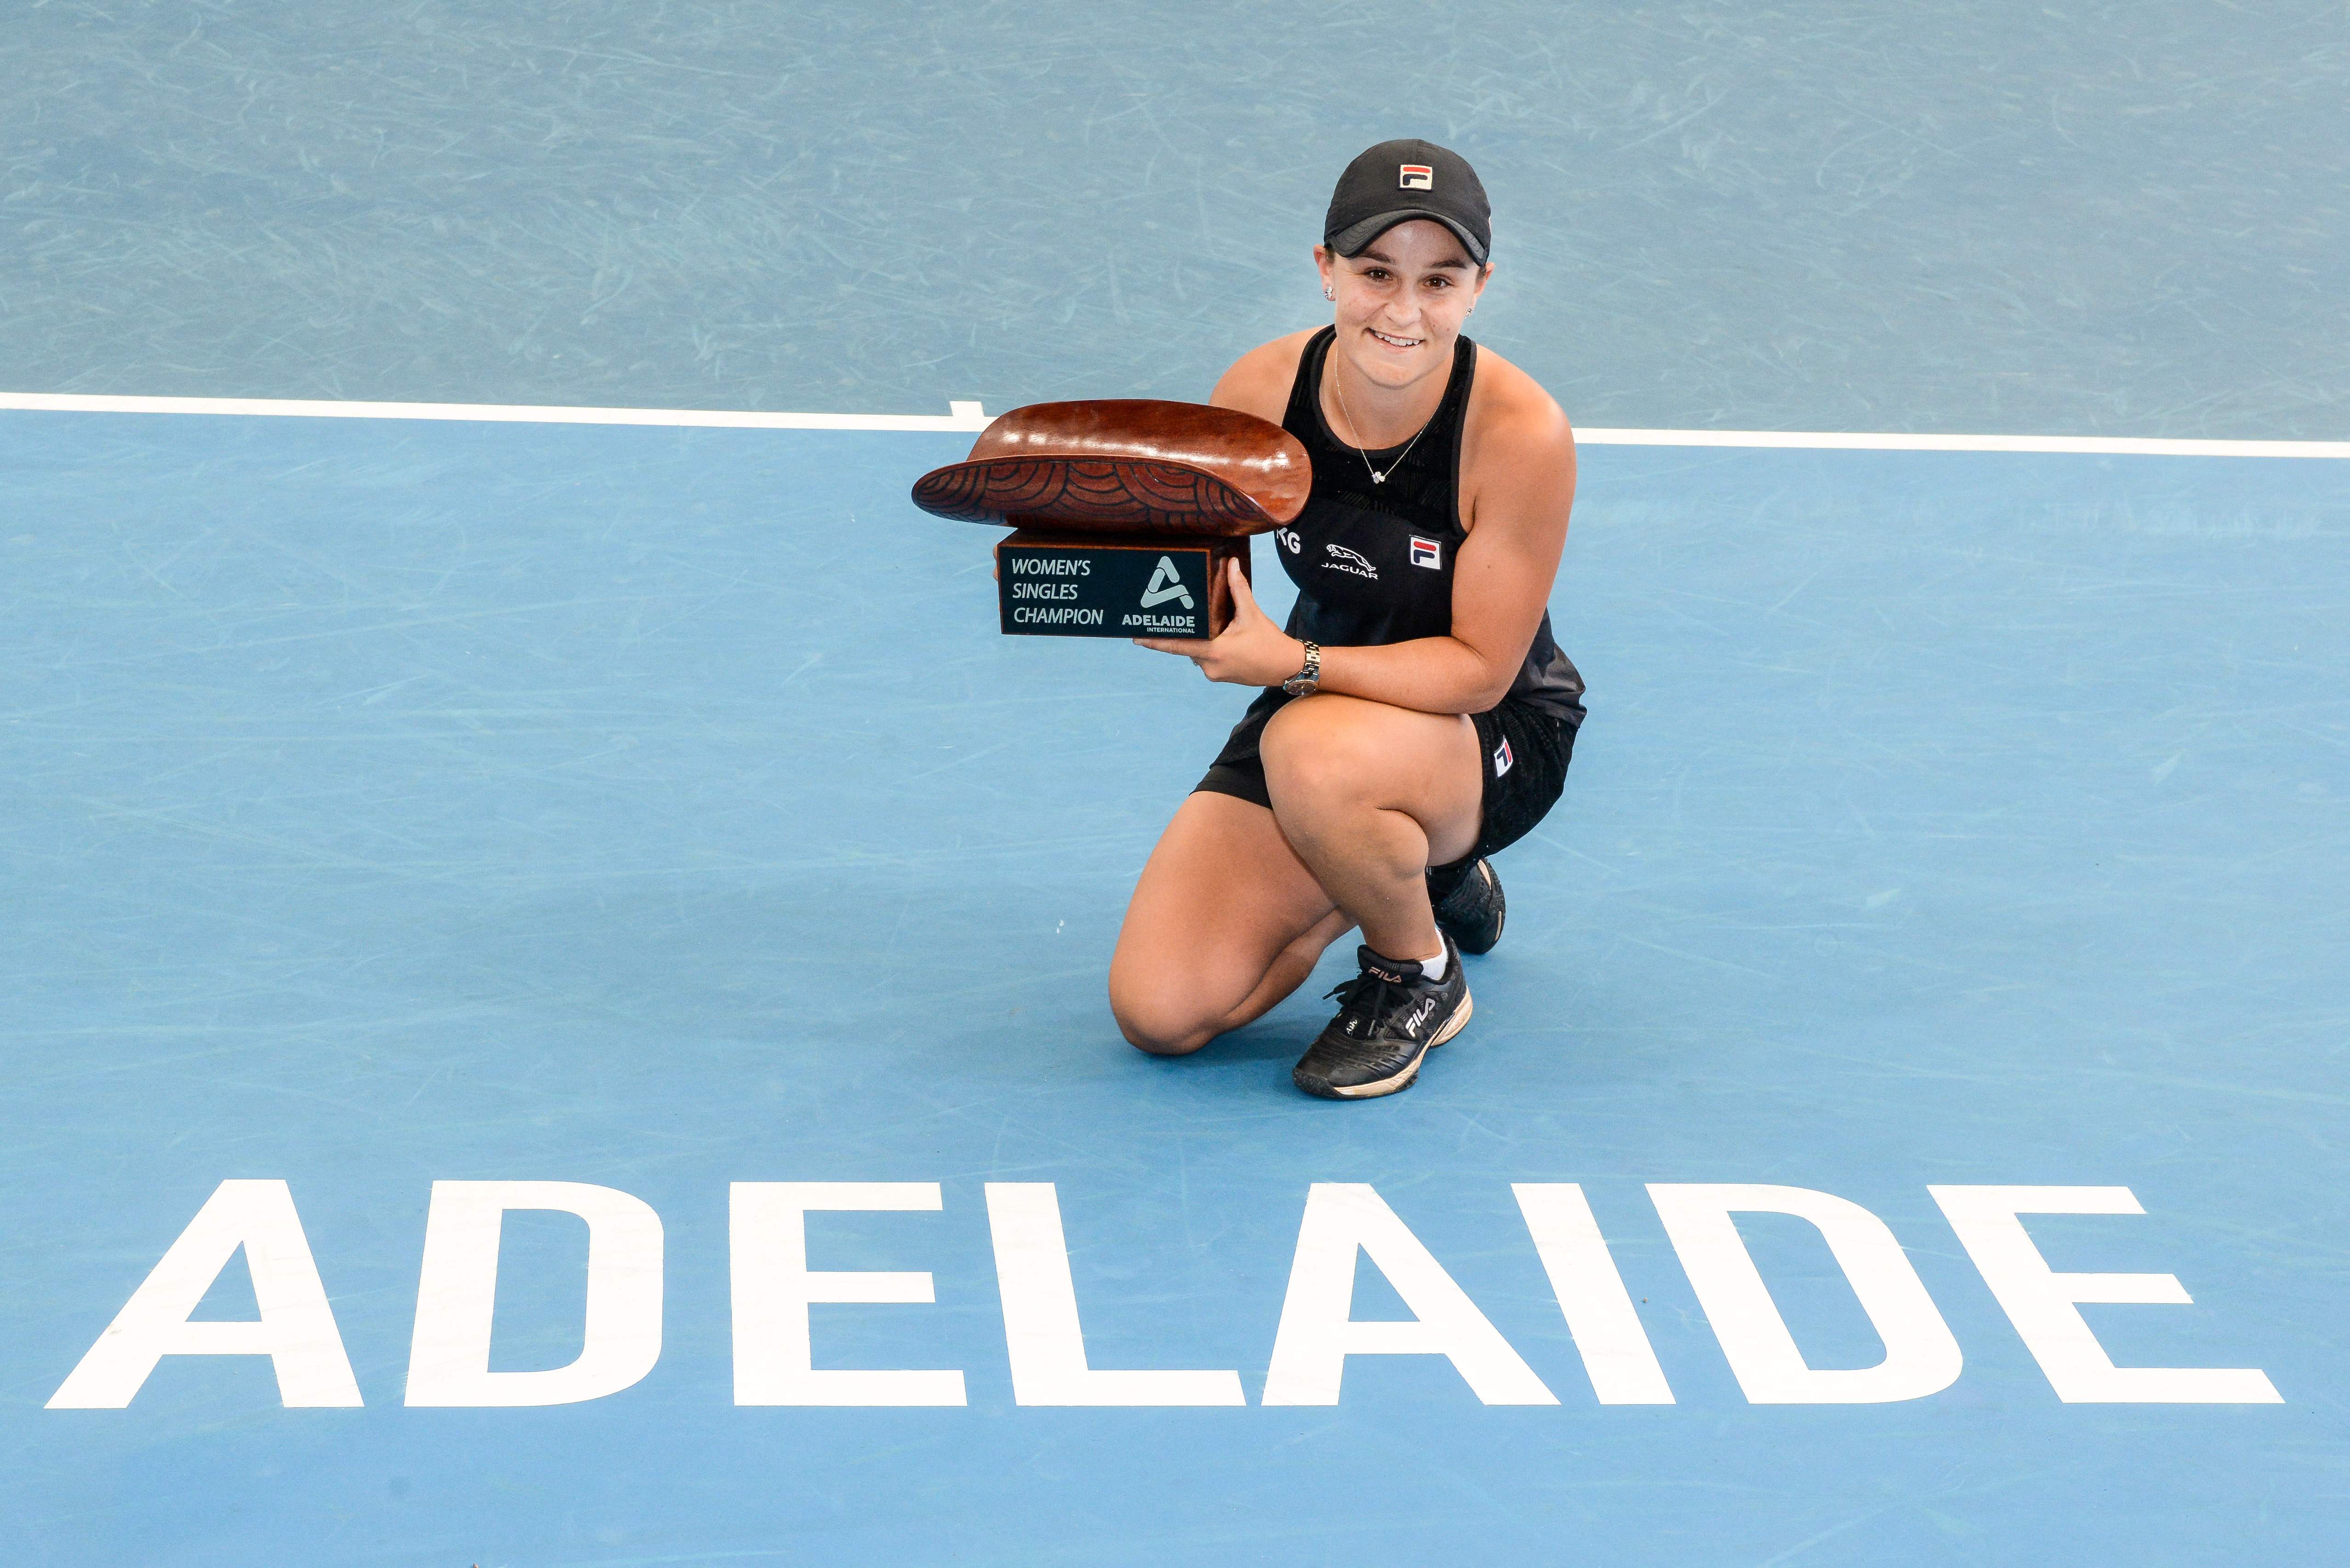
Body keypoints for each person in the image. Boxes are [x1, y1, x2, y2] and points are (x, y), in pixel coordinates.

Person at [1108, 138, 1587, 1100]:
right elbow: (1208, 582)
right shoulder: (1259, 395)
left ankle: (1416, 969)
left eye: (1439, 280)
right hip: (1315, 699)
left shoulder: (1519, 434)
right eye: (1376, 273)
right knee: (1160, 1008)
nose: (1404, 311)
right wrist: (1119, 576)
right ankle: (1409, 864)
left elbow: (1482, 670)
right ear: (1325, 270)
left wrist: (1286, 659)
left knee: (1316, 757)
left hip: (1490, 731)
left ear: (1479, 287)